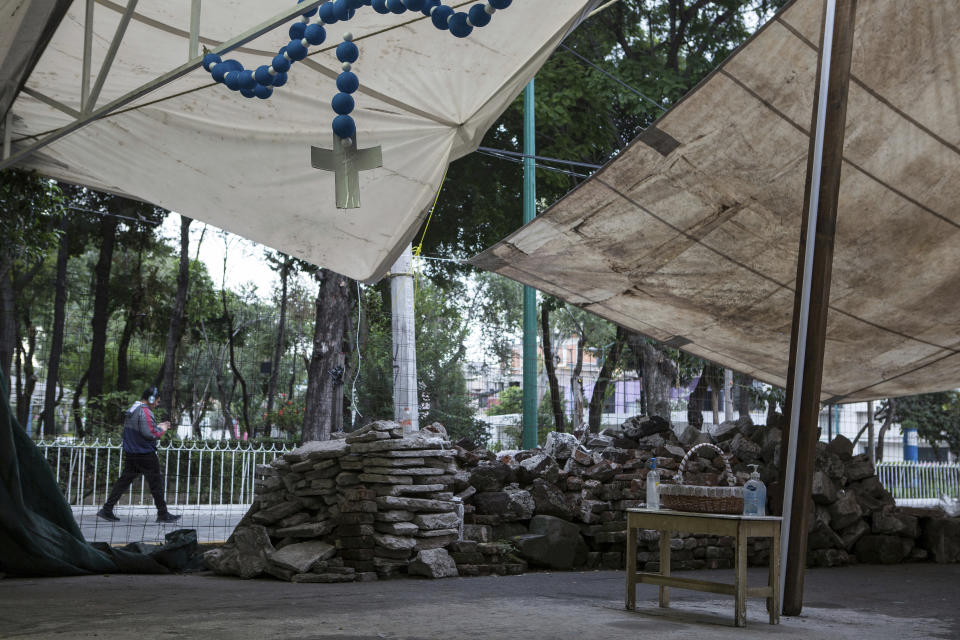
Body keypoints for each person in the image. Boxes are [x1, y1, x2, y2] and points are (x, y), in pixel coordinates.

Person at [97, 387, 181, 523]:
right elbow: (150, 434)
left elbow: (143, 429)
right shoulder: (144, 411)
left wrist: (156, 426)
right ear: (151, 399)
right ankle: (163, 514)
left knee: (123, 482)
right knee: (156, 484)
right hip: (145, 454)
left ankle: (107, 509)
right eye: (157, 401)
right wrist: (162, 428)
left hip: (132, 453)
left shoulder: (133, 409)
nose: (157, 404)